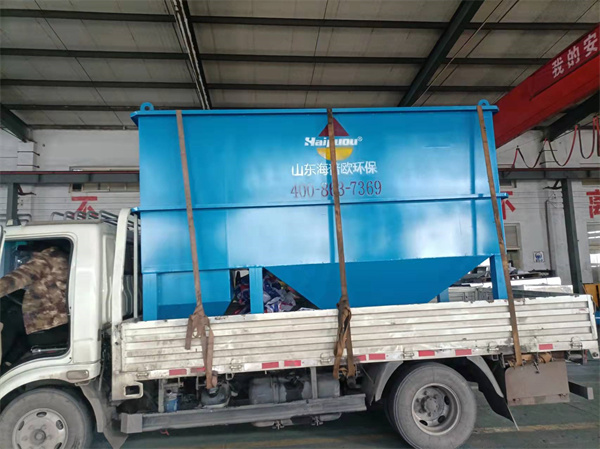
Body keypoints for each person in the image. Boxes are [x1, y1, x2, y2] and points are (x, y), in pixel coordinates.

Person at [0, 246, 69, 366]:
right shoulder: (63, 256)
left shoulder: (48, 257)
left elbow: (15, 279)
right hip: (59, 321)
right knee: (18, 333)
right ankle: (7, 363)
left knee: (8, 319)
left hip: (47, 321)